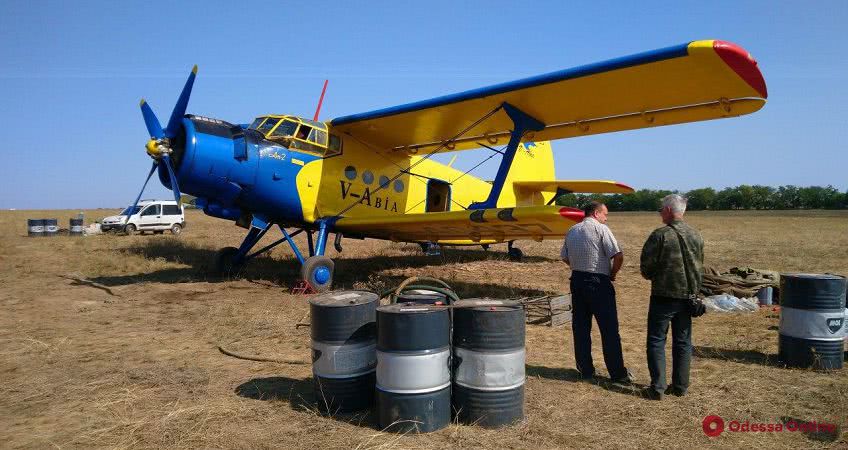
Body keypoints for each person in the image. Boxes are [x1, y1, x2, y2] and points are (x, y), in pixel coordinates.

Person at [639, 194, 704, 400]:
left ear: (668, 210)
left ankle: (657, 388)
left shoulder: (660, 235)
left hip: (663, 297)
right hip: (688, 297)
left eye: (661, 209)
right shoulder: (696, 235)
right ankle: (680, 386)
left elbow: (646, 267)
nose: (660, 213)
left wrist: (653, 275)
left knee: (657, 340)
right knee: (683, 341)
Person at [561, 201, 631, 383]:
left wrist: (578, 267)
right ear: (596, 213)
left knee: (581, 328)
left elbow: (564, 257)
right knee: (609, 330)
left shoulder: (572, 230)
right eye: (605, 214)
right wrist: (612, 274)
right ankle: (617, 373)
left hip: (577, 281)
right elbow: (618, 255)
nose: (606, 218)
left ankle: (585, 370)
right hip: (599, 282)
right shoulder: (601, 229)